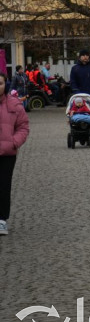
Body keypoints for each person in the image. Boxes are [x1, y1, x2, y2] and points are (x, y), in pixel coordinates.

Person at [0, 73, 29, 236]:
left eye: (0, 83)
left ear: (5, 84)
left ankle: (2, 219)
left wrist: (14, 142)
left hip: (7, 152)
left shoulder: (14, 104)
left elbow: (23, 126)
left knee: (4, 185)